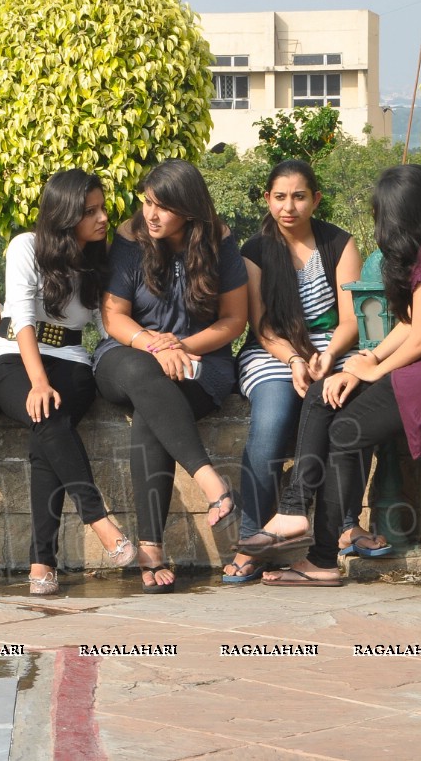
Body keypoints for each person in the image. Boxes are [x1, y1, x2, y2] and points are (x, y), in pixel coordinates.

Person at [236, 164, 421, 586]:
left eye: (382, 213)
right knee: (329, 399)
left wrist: (369, 368)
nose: (380, 223)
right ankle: (306, 532)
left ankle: (307, 533)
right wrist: (366, 361)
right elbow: (410, 325)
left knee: (341, 420)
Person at [93, 159, 248, 594]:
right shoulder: (130, 239)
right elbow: (114, 315)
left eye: (163, 207)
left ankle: (151, 549)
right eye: (147, 202)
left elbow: (235, 319)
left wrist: (182, 347)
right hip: (127, 355)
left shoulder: (218, 241)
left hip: (200, 363)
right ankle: (211, 481)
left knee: (152, 414)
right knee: (148, 378)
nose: (151, 214)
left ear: (189, 209)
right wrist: (155, 344)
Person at [0, 169, 138, 595]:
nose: (102, 217)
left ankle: (41, 563)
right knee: (47, 414)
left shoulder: (98, 258)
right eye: (90, 211)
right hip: (14, 354)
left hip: (70, 357)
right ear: (66, 214)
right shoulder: (25, 246)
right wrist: (36, 381)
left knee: (46, 436)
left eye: (103, 208)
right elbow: (23, 321)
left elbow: (109, 324)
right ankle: (98, 520)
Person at [225, 160, 365, 585]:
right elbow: (262, 326)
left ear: (315, 199)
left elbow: (351, 319)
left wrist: (329, 355)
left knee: (345, 409)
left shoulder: (339, 244)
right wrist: (294, 360)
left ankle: (344, 523)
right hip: (274, 350)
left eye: (299, 197)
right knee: (270, 424)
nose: (289, 207)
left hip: (333, 347)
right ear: (267, 199)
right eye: (280, 197)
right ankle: (252, 539)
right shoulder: (254, 250)